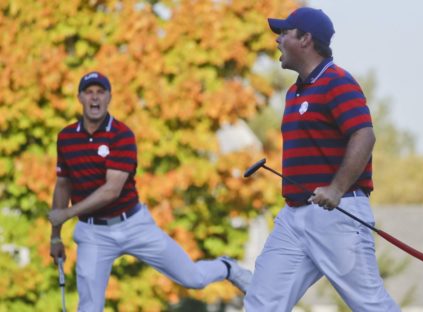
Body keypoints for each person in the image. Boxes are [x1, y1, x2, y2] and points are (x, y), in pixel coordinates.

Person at [48, 71, 252, 312]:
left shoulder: (122, 135)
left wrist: (67, 214)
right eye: (89, 92)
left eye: (100, 92)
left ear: (109, 97)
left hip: (133, 224)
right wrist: (55, 236)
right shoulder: (66, 138)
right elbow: (63, 185)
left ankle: (227, 267)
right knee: (89, 308)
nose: (95, 98)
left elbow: (111, 191)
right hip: (93, 233)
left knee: (192, 279)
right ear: (79, 97)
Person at [243, 7, 400, 312]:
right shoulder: (294, 93)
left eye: (284, 33)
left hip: (337, 213)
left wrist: (337, 188)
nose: (277, 41)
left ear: (305, 39)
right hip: (294, 217)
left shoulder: (338, 82)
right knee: (261, 304)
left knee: (371, 305)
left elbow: (364, 136)